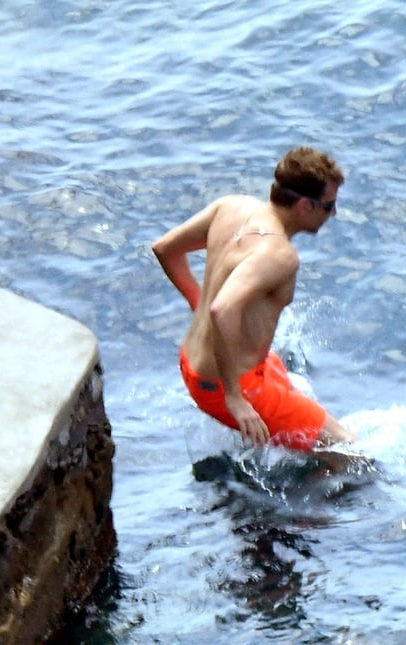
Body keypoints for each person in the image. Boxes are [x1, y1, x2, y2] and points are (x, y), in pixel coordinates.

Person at [152, 146, 356, 452]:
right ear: (304, 206)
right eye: (328, 206)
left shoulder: (231, 206)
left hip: (191, 361)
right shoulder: (279, 255)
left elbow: (165, 248)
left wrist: (198, 305)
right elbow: (222, 310)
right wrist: (235, 398)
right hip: (228, 385)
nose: (334, 213)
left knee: (292, 385)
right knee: (350, 454)